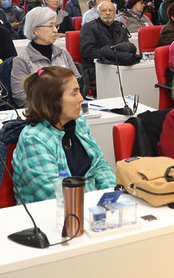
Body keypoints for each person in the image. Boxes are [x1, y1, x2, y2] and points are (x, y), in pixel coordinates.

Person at [11, 66, 115, 204]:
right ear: (54, 101)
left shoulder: (79, 123)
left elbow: (99, 165)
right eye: (74, 93)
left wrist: (112, 195)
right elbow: (55, 195)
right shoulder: (34, 139)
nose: (81, 98)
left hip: (91, 207)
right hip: (53, 216)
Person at [11, 7, 82, 106]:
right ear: (35, 30)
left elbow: (77, 81)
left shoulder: (62, 53)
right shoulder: (22, 60)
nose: (55, 30)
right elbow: (20, 96)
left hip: (67, 108)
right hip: (41, 113)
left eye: (55, 25)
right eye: (50, 26)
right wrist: (51, 105)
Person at [79, 0, 136, 84]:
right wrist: (109, 54)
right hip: (96, 68)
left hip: (118, 65)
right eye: (104, 10)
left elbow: (126, 47)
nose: (107, 13)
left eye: (110, 10)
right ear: (98, 13)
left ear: (115, 13)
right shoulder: (89, 27)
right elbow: (87, 51)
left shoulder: (120, 27)